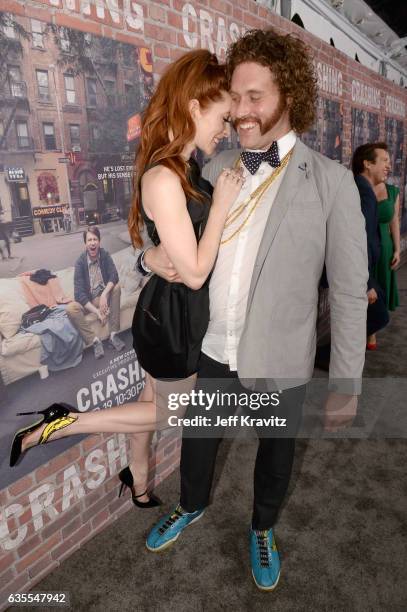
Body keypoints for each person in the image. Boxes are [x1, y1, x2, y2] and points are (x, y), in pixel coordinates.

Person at [142, 28, 369, 591]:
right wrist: (148, 258)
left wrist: (346, 381)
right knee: (199, 441)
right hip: (211, 344)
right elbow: (174, 239)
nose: (240, 111)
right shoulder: (213, 166)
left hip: (281, 354)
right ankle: (191, 504)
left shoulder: (335, 184)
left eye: (255, 97)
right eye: (234, 98)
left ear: (287, 95)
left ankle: (263, 525)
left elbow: (346, 289)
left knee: (275, 450)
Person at [10, 50, 243, 509]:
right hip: (174, 318)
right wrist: (219, 208)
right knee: (167, 409)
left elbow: (175, 249)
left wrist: (153, 256)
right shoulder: (164, 177)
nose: (226, 128)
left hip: (173, 312)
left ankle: (136, 480)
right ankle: (64, 421)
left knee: (151, 398)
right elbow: (195, 273)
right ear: (195, 106)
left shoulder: (183, 167)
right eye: (222, 116)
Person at [352, 143, 391, 350]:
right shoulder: (363, 192)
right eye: (384, 160)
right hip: (355, 274)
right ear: (367, 164)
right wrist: (365, 284)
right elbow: (358, 240)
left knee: (381, 304)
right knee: (378, 316)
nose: (388, 166)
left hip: (360, 271)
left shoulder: (362, 187)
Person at [66, 226, 126, 359]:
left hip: (102, 298)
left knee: (116, 288)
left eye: (95, 239)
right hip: (88, 302)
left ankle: (113, 335)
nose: (92, 243)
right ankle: (95, 341)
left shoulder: (105, 255)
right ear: (85, 243)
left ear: (99, 241)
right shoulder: (80, 263)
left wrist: (105, 294)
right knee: (71, 308)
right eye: (89, 240)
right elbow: (79, 294)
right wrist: (97, 312)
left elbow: (114, 275)